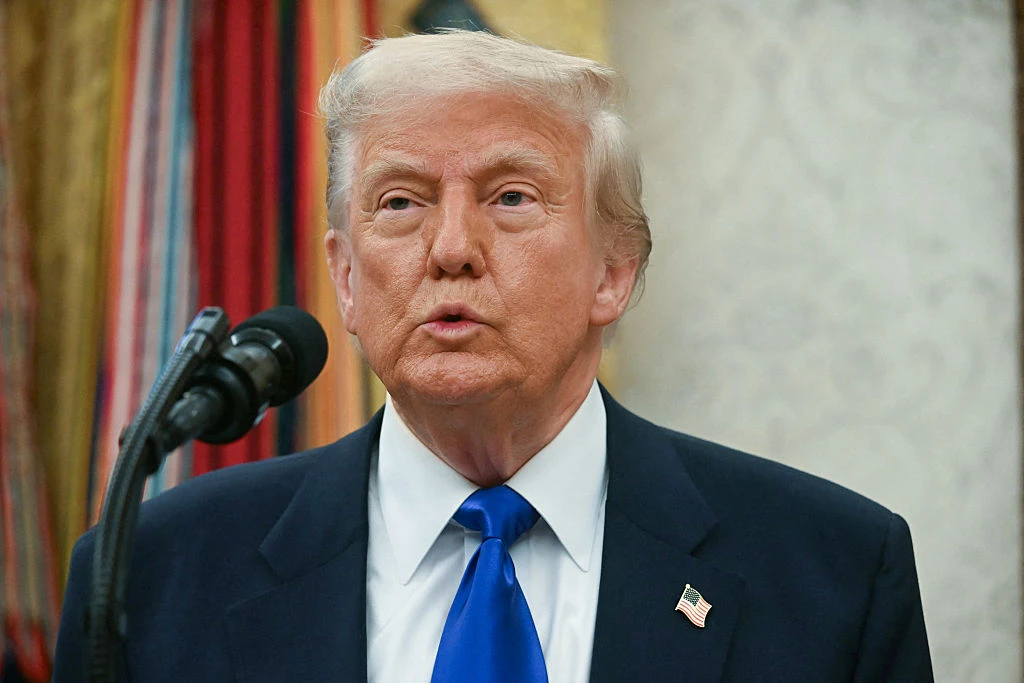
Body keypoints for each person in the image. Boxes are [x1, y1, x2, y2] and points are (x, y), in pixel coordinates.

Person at [54, 30, 933, 682]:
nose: (451, 248)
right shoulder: (151, 576)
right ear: (347, 278)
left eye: (511, 197)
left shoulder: (834, 575)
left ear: (614, 269)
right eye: (400, 201)